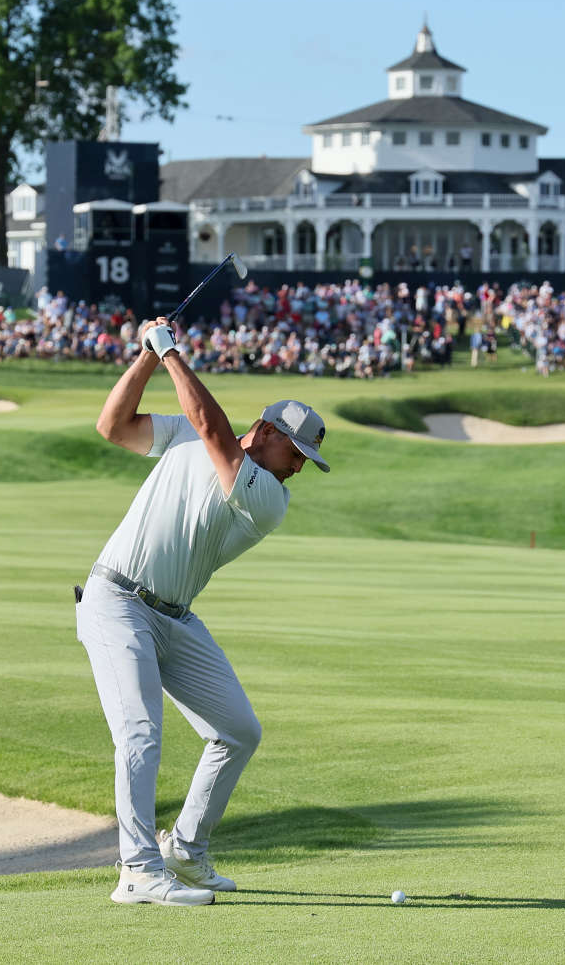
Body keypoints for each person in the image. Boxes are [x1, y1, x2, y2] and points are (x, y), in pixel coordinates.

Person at [78, 315, 332, 906]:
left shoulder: (268, 498)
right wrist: (146, 355)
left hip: (174, 618)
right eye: (294, 451)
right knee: (140, 733)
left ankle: (186, 850)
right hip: (115, 600)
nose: (298, 467)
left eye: (303, 460)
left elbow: (213, 431)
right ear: (265, 430)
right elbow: (112, 426)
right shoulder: (185, 437)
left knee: (238, 731)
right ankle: (138, 870)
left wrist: (171, 353)